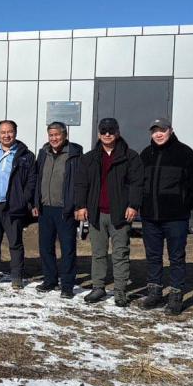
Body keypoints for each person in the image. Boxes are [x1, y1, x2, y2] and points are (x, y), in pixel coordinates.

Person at [139, 117, 193, 315]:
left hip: (176, 218)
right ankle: (154, 293)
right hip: (150, 217)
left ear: (170, 130)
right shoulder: (146, 154)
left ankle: (176, 296)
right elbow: (136, 182)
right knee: (153, 256)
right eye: (154, 131)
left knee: (176, 257)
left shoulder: (185, 153)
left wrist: (187, 203)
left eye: (162, 130)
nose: (158, 134)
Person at [74, 118, 143, 307]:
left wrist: (133, 205)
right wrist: (81, 205)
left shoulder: (130, 157)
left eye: (111, 131)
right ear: (98, 133)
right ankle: (98, 287)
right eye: (103, 130)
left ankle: (120, 291)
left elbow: (137, 183)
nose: (107, 134)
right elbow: (81, 183)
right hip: (96, 214)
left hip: (120, 214)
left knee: (120, 254)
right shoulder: (89, 158)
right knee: (98, 254)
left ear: (117, 133)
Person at [0, 120, 37, 289]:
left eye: (10, 131)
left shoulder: (26, 155)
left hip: (13, 206)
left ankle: (16, 277)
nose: (6, 135)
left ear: (15, 132)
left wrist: (22, 200)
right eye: (3, 132)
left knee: (15, 243)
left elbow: (31, 181)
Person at [32, 122, 83, 299]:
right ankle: (50, 280)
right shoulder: (43, 153)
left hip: (65, 209)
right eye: (51, 135)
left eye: (57, 135)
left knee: (67, 248)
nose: (54, 138)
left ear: (65, 135)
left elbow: (80, 182)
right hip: (45, 208)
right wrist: (36, 202)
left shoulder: (74, 154)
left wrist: (78, 205)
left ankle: (67, 285)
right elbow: (37, 178)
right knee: (45, 247)